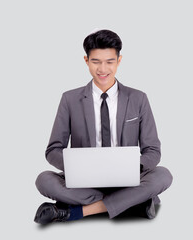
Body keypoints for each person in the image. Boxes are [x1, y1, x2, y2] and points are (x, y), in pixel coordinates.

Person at [34, 29, 173, 225]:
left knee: (163, 175)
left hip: (129, 180)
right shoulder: (70, 99)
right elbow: (53, 149)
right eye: (96, 61)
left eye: (109, 61)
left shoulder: (138, 98)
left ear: (119, 60)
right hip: (85, 183)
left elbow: (152, 150)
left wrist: (134, 167)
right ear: (86, 60)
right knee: (44, 180)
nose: (103, 69)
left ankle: (77, 212)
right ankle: (134, 203)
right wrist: (77, 168)